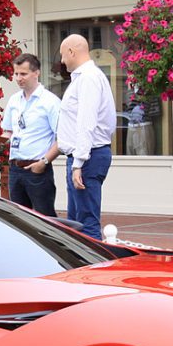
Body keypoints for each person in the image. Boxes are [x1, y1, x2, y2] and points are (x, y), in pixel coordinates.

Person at [54, 33, 115, 239]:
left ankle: (93, 268)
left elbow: (86, 123)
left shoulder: (88, 78)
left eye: (63, 55)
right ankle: (81, 268)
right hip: (84, 156)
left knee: (86, 223)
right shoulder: (85, 78)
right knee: (76, 223)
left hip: (88, 157)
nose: (62, 61)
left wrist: (78, 163)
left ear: (71, 51)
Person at [1, 53, 61, 216]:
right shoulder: (14, 100)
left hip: (37, 168)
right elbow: (8, 132)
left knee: (45, 218)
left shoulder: (50, 101)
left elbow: (62, 137)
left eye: (23, 74)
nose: (19, 78)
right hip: (15, 168)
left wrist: (44, 162)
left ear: (36, 73)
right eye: (16, 74)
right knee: (19, 219)